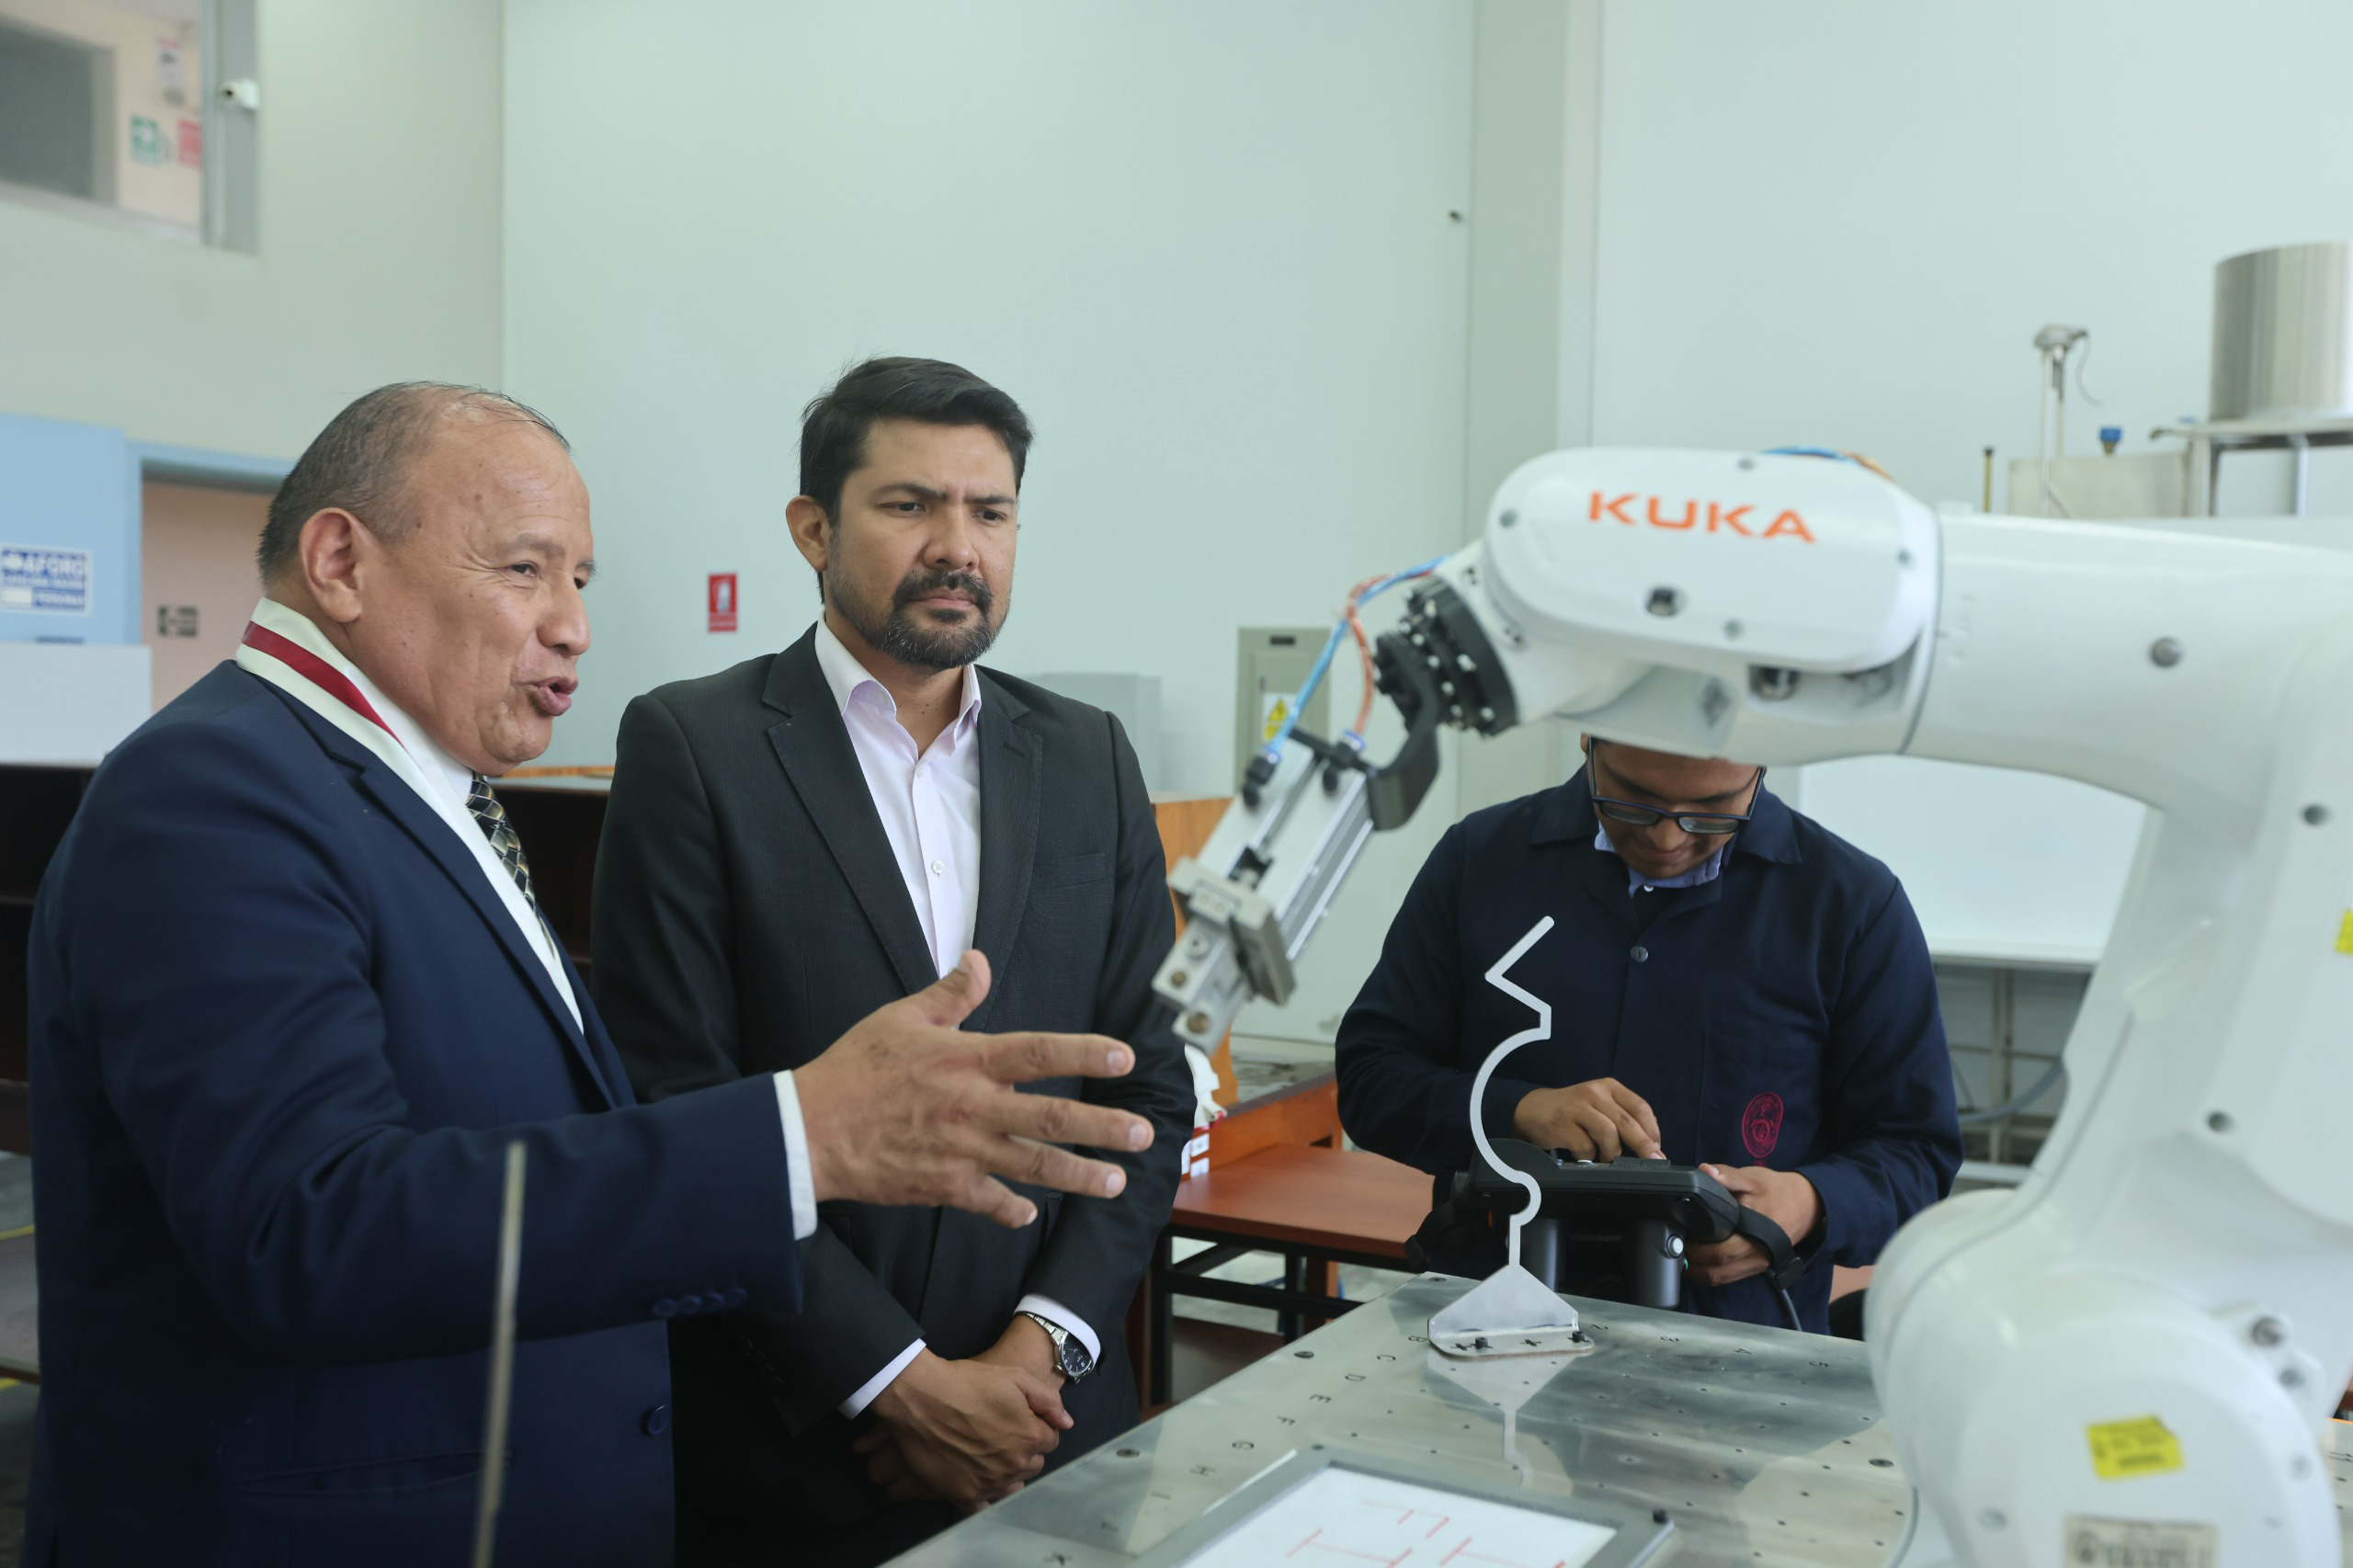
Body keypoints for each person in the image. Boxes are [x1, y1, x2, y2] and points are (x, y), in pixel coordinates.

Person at [24, 383, 1155, 1568]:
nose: (571, 626)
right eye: (525, 569)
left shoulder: (423, 794)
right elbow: (310, 1228)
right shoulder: (215, 795)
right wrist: (799, 1138)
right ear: (341, 561)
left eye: (582, 581)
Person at [593, 357, 1194, 1566]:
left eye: (990, 510)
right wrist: (898, 1383)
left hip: (1052, 1433)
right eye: (909, 505)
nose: (955, 545)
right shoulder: (694, 747)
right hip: (800, 1441)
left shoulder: (1088, 756)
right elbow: (674, 1102)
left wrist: (1041, 1348)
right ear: (813, 526)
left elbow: (1152, 1091)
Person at [1336, 735, 1961, 1333]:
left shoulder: (1850, 905)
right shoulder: (1479, 861)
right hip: (1491, 1328)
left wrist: (1809, 1204)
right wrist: (1516, 1111)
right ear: (1588, 738)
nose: (1666, 838)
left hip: (1734, 1365)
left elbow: (1916, 1153)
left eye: (1713, 812)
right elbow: (1372, 1078)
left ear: (1765, 759)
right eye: (1631, 801)